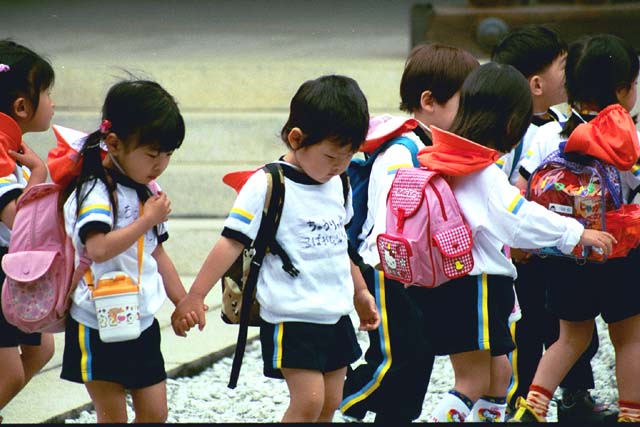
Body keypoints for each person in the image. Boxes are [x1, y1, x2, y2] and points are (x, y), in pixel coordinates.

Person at [414, 62, 617, 423]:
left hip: (460, 285)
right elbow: (518, 218)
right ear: (511, 122)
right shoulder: (481, 172)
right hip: (474, 286)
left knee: (499, 376)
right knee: (473, 380)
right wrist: (575, 233)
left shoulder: (447, 157)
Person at [171, 75, 380, 423]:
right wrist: (195, 295)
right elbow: (230, 241)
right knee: (309, 401)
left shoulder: (338, 184)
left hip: (334, 312)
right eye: (331, 156)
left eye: (347, 157)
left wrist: (360, 292)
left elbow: (340, 245)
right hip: (292, 315)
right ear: (296, 138)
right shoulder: (268, 183)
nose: (339, 166)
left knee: (331, 401)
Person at [340, 42, 479, 424]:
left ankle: (395, 416)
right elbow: (388, 218)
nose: (469, 116)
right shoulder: (401, 150)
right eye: (463, 105)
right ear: (429, 100)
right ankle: (337, 394)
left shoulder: (430, 145)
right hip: (385, 268)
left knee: (419, 353)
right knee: (398, 354)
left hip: (412, 272)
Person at [512, 34, 640, 423]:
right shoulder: (630, 140)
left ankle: (532, 406)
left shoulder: (549, 133)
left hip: (566, 254)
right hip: (621, 254)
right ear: (621, 90)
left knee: (570, 337)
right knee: (630, 338)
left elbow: (522, 188)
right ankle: (631, 415)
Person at [491, 25, 613, 422]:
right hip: (527, 256)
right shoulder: (516, 134)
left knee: (574, 330)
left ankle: (575, 397)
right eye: (565, 65)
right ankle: (521, 402)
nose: (571, 71)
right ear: (538, 84)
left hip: (561, 248)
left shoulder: (561, 125)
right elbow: (509, 194)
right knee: (530, 331)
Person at [58, 79, 194, 423]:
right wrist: (145, 221)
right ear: (114, 143)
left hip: (141, 319)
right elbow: (98, 248)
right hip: (96, 320)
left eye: (168, 154)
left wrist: (183, 301)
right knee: (113, 417)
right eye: (151, 154)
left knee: (155, 413)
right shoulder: (95, 190)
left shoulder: (148, 190)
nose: (161, 163)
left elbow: (157, 253)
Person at [0, 39, 55, 422]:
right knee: (9, 371)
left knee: (41, 350)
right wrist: (39, 177)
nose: (52, 102)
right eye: (47, 93)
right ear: (22, 106)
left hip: (11, 266)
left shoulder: (11, 146)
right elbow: (18, 219)